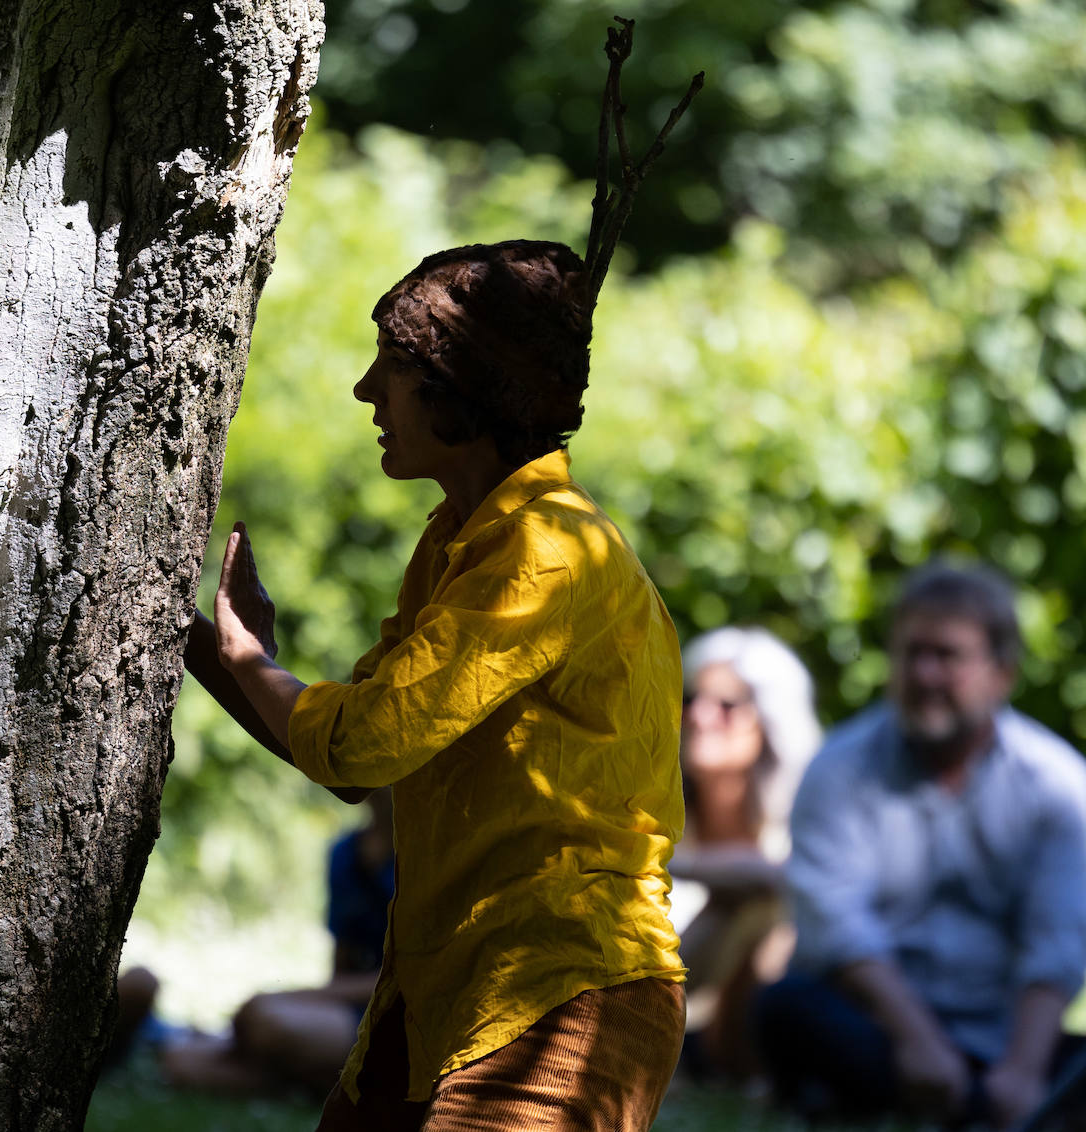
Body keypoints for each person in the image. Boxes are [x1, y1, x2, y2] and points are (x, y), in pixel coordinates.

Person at [184, 240, 687, 1131]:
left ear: (463, 386)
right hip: (444, 990)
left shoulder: (546, 548)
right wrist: (204, 647)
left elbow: (362, 742)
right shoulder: (460, 538)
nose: (365, 390)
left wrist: (248, 660)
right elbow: (355, 764)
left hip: (563, 993)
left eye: (394, 364)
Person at [755, 561, 1086, 1129]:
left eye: (947, 656)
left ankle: (992, 1100)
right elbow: (835, 926)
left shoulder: (1055, 783)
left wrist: (1022, 1070)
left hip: (1006, 1037)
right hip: (879, 1031)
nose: (924, 674)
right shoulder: (839, 768)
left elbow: (1058, 940)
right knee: (784, 1006)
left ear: (1001, 672)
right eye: (911, 653)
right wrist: (919, 1042)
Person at [158, 790, 395, 1097]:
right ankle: (318, 1082)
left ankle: (329, 1080)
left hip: (395, 1019)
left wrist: (279, 999)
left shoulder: (428, 858)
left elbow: (404, 982)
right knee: (181, 1061)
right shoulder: (346, 854)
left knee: (266, 1021)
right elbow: (341, 969)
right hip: (349, 1013)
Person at [669, 627, 820, 1079]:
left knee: (765, 906)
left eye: (727, 705)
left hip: (749, 1019)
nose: (700, 716)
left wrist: (682, 866)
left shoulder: (800, 823)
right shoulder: (657, 815)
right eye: (691, 699)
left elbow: (785, 879)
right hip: (665, 1008)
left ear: (770, 722)